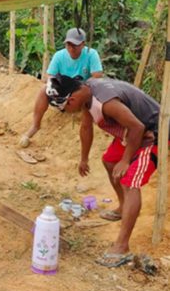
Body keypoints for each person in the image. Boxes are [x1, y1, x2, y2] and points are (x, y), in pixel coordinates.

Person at [46, 74, 169, 268]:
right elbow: (86, 127)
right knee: (110, 160)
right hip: (133, 133)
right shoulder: (87, 94)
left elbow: (137, 126)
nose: (68, 112)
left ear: (71, 100)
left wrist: (126, 160)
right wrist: (84, 158)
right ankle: (123, 207)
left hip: (153, 133)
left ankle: (121, 246)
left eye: (65, 109)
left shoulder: (105, 102)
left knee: (130, 181)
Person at [20, 27, 103, 148]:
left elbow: (97, 76)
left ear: (83, 44)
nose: (71, 48)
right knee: (44, 90)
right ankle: (35, 125)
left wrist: (80, 88)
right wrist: (57, 85)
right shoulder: (59, 56)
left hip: (82, 92)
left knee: (93, 90)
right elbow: (49, 75)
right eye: (68, 44)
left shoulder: (91, 54)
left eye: (74, 45)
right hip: (63, 91)